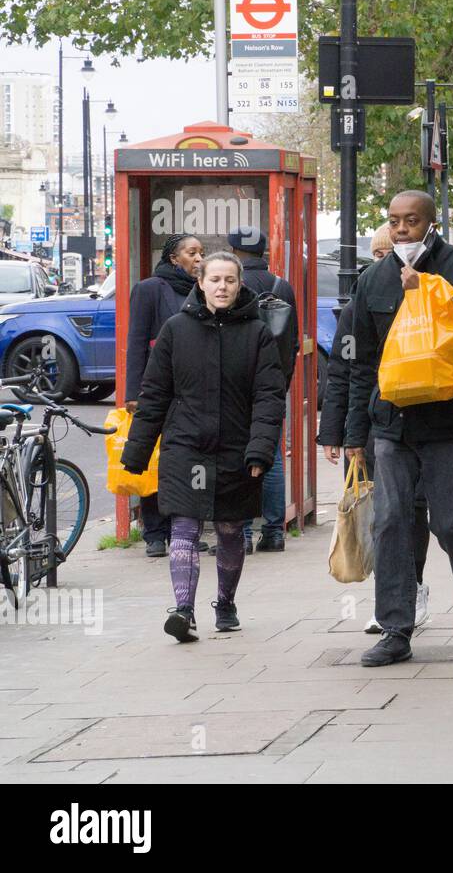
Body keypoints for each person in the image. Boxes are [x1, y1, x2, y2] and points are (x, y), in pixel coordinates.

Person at [344, 191, 453, 667]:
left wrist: (425, 296)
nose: (401, 229)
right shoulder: (372, 280)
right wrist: (352, 435)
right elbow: (359, 363)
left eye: (411, 221)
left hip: (452, 421)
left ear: (431, 224)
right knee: (390, 521)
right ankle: (395, 628)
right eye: (394, 221)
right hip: (392, 422)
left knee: (448, 521)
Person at [120, 252, 285, 642]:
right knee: (184, 524)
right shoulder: (176, 330)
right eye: (215, 280)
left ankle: (225, 603)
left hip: (236, 447)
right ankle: (184, 611)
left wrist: (261, 449)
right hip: (185, 446)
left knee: (230, 529)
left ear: (239, 284)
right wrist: (136, 454)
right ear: (201, 283)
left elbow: (269, 397)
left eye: (229, 280)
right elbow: (155, 395)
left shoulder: (258, 333)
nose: (222, 287)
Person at [318, 227, 432, 633]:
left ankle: (411, 589)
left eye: (392, 250)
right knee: (382, 516)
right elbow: (345, 369)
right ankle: (391, 600)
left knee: (411, 510)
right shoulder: (365, 295)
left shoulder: (429, 289)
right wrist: (339, 433)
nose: (389, 258)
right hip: (372, 419)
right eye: (380, 251)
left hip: (419, 420)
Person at [125, 233, 205, 559]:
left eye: (202, 252)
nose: (199, 258)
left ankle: (183, 530)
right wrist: (134, 393)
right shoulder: (149, 289)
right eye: (192, 252)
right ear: (174, 258)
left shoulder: (203, 290)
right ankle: (154, 532)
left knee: (187, 461)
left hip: (191, 391)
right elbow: (136, 341)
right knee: (153, 461)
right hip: (157, 389)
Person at [227, 225, 298, 555]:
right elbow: (292, 341)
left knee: (238, 455)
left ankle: (241, 534)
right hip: (272, 384)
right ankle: (274, 531)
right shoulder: (281, 286)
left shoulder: (231, 286)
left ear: (236, 253)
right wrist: (283, 380)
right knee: (270, 455)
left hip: (236, 385)